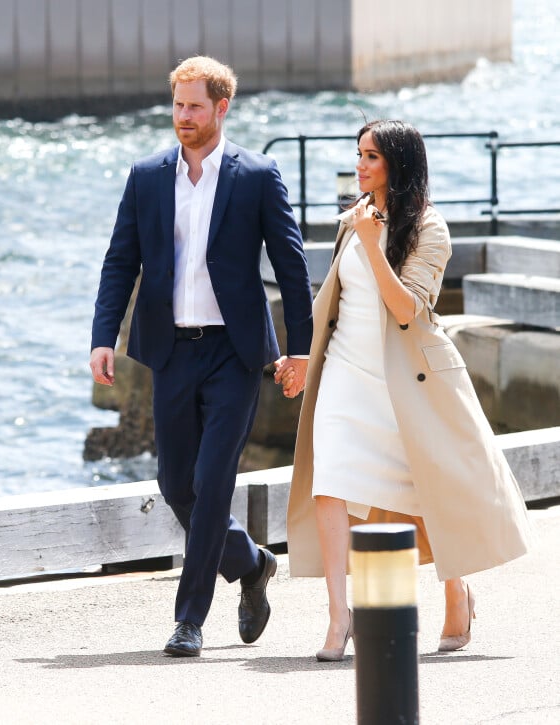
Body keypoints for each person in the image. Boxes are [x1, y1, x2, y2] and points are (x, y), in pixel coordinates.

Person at [278, 119, 531, 660]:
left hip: (405, 381)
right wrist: (304, 361)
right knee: (331, 480)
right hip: (345, 370)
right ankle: (339, 616)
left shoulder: (429, 229)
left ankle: (456, 587)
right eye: (359, 154)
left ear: (399, 163)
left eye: (372, 156)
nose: (360, 166)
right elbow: (334, 303)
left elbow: (405, 308)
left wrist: (374, 244)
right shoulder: (355, 220)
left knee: (428, 491)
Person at [90, 56, 313, 657]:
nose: (181, 117)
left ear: (222, 107)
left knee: (213, 482)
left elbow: (292, 269)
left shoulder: (257, 176)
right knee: (174, 482)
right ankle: (251, 564)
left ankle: (189, 619)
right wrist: (102, 336)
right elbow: (121, 261)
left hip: (234, 352)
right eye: (177, 105)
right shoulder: (146, 175)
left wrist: (299, 350)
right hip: (169, 350)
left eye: (193, 106)